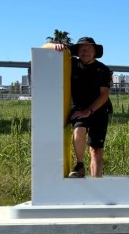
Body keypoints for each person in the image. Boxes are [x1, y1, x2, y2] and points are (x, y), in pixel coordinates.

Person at [43, 36, 113, 178]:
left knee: (95, 149)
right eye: (81, 49)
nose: (84, 52)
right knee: (79, 130)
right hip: (79, 109)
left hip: (99, 109)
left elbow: (104, 95)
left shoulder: (103, 69)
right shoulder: (72, 64)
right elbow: (44, 48)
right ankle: (80, 165)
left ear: (95, 52)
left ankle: (96, 180)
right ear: (77, 52)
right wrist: (54, 46)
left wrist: (89, 111)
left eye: (88, 49)